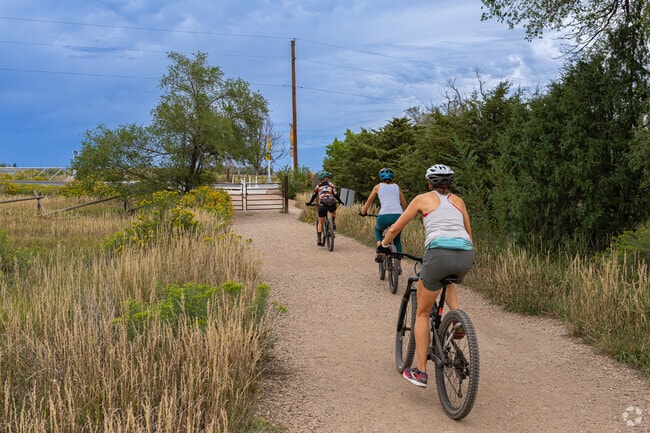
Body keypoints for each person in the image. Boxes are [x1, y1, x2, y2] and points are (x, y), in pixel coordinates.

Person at [377, 164, 474, 388]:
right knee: (447, 279)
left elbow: (396, 227)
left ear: (429, 183)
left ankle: (420, 371)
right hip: (465, 254)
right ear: (449, 184)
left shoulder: (422, 199)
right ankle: (457, 318)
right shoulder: (458, 201)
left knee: (421, 313)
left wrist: (384, 244)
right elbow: (468, 232)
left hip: (438, 254)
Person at [359, 168, 407, 265]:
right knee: (397, 239)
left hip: (384, 215)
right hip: (398, 215)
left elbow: (368, 202)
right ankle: (399, 266)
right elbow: (404, 204)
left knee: (378, 229)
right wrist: (405, 213)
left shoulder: (377, 187)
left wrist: (363, 212)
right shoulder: (397, 187)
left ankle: (380, 251)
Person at [306, 170, 344, 246]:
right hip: (331, 204)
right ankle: (332, 222)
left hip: (322, 205)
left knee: (320, 222)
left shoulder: (318, 186)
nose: (328, 178)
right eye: (327, 177)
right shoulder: (331, 185)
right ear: (325, 178)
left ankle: (319, 239)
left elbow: (313, 196)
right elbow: (336, 195)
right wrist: (340, 201)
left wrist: (310, 203)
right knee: (333, 210)